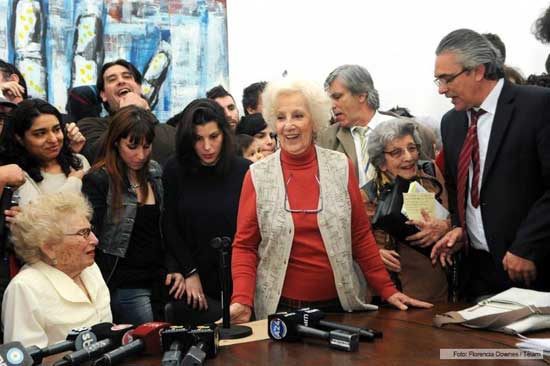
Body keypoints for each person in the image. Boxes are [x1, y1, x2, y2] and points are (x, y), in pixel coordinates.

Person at [229, 78, 432, 323]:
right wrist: (241, 299)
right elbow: (245, 246)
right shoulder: (257, 176)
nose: (288, 125)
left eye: (298, 116)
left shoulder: (339, 166)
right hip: (279, 309)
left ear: (314, 120)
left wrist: (387, 290)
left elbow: (359, 235)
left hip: (341, 306)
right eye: (281, 117)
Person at [431, 29, 550, 300]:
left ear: (478, 71)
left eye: (447, 79)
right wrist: (461, 227)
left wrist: (526, 247)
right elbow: (457, 185)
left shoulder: (538, 106)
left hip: (532, 268)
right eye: (437, 80)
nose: (441, 89)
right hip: (477, 273)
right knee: (477, 345)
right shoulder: (452, 123)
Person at [82, 106, 184, 324]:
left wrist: (174, 266)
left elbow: (165, 227)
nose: (141, 155)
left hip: (159, 278)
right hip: (125, 282)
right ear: (116, 141)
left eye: (147, 147)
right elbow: (91, 237)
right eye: (132, 146)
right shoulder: (99, 180)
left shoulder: (155, 172)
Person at [163, 98, 250, 322]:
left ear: (225, 134)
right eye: (198, 139)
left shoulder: (245, 171)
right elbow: (169, 225)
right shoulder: (174, 169)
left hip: (240, 279)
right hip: (196, 284)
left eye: (213, 137)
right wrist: (189, 271)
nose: (207, 147)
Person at [2, 192, 112, 347]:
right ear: (49, 247)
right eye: (83, 233)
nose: (95, 240)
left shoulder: (90, 268)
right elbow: (26, 358)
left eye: (90, 230)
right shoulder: (25, 288)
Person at [364, 119, 450, 302]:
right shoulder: (368, 194)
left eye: (412, 148)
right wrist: (374, 254)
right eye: (397, 152)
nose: (409, 157)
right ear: (381, 162)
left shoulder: (431, 177)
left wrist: (445, 226)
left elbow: (457, 218)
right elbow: (355, 243)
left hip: (441, 290)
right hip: (393, 297)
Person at [78, 59, 175, 165]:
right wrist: (127, 113)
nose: (121, 81)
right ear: (103, 95)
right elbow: (95, 156)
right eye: (112, 79)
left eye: (127, 76)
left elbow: (168, 152)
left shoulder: (168, 131)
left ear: (139, 88)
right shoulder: (89, 126)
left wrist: (145, 113)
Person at [0, 99, 89, 206]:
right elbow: (41, 217)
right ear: (20, 138)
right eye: (40, 133)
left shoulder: (78, 161)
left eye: (56, 129)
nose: (53, 139)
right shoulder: (14, 174)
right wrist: (73, 182)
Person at [318, 64, 394, 188]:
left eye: (337, 97)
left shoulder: (404, 129)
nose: (331, 105)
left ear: (361, 95)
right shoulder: (326, 139)